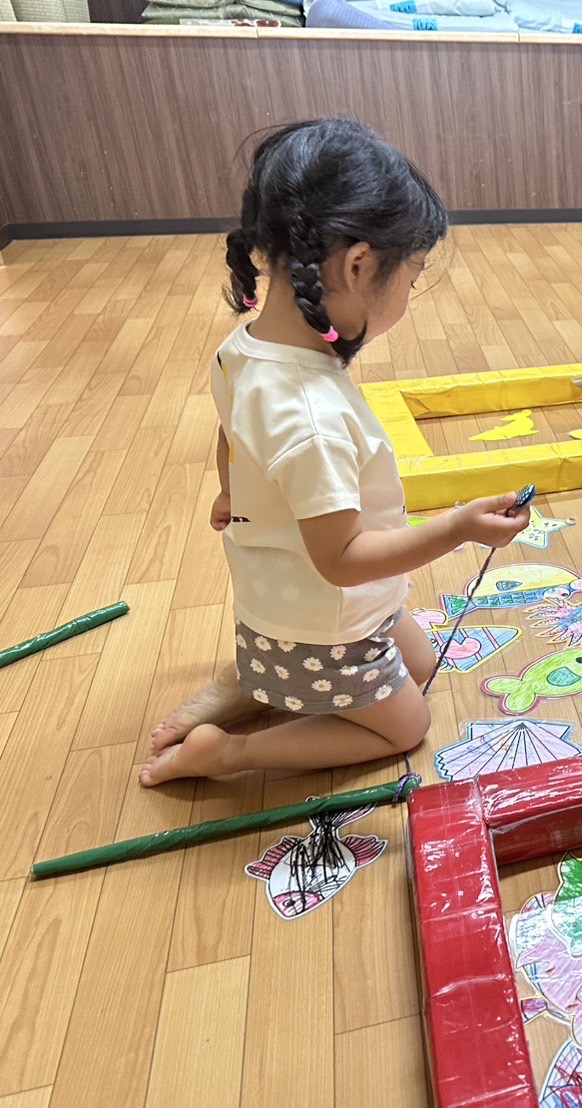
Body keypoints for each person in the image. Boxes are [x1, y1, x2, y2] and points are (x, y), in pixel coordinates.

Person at [141, 119, 528, 786]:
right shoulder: (311, 413)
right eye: (410, 278)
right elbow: (342, 560)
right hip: (319, 619)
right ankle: (229, 753)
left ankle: (251, 682)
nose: (408, 296)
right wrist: (458, 528)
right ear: (359, 265)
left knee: (423, 667)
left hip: (292, 597)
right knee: (408, 725)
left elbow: (230, 429)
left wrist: (232, 489)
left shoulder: (245, 348)